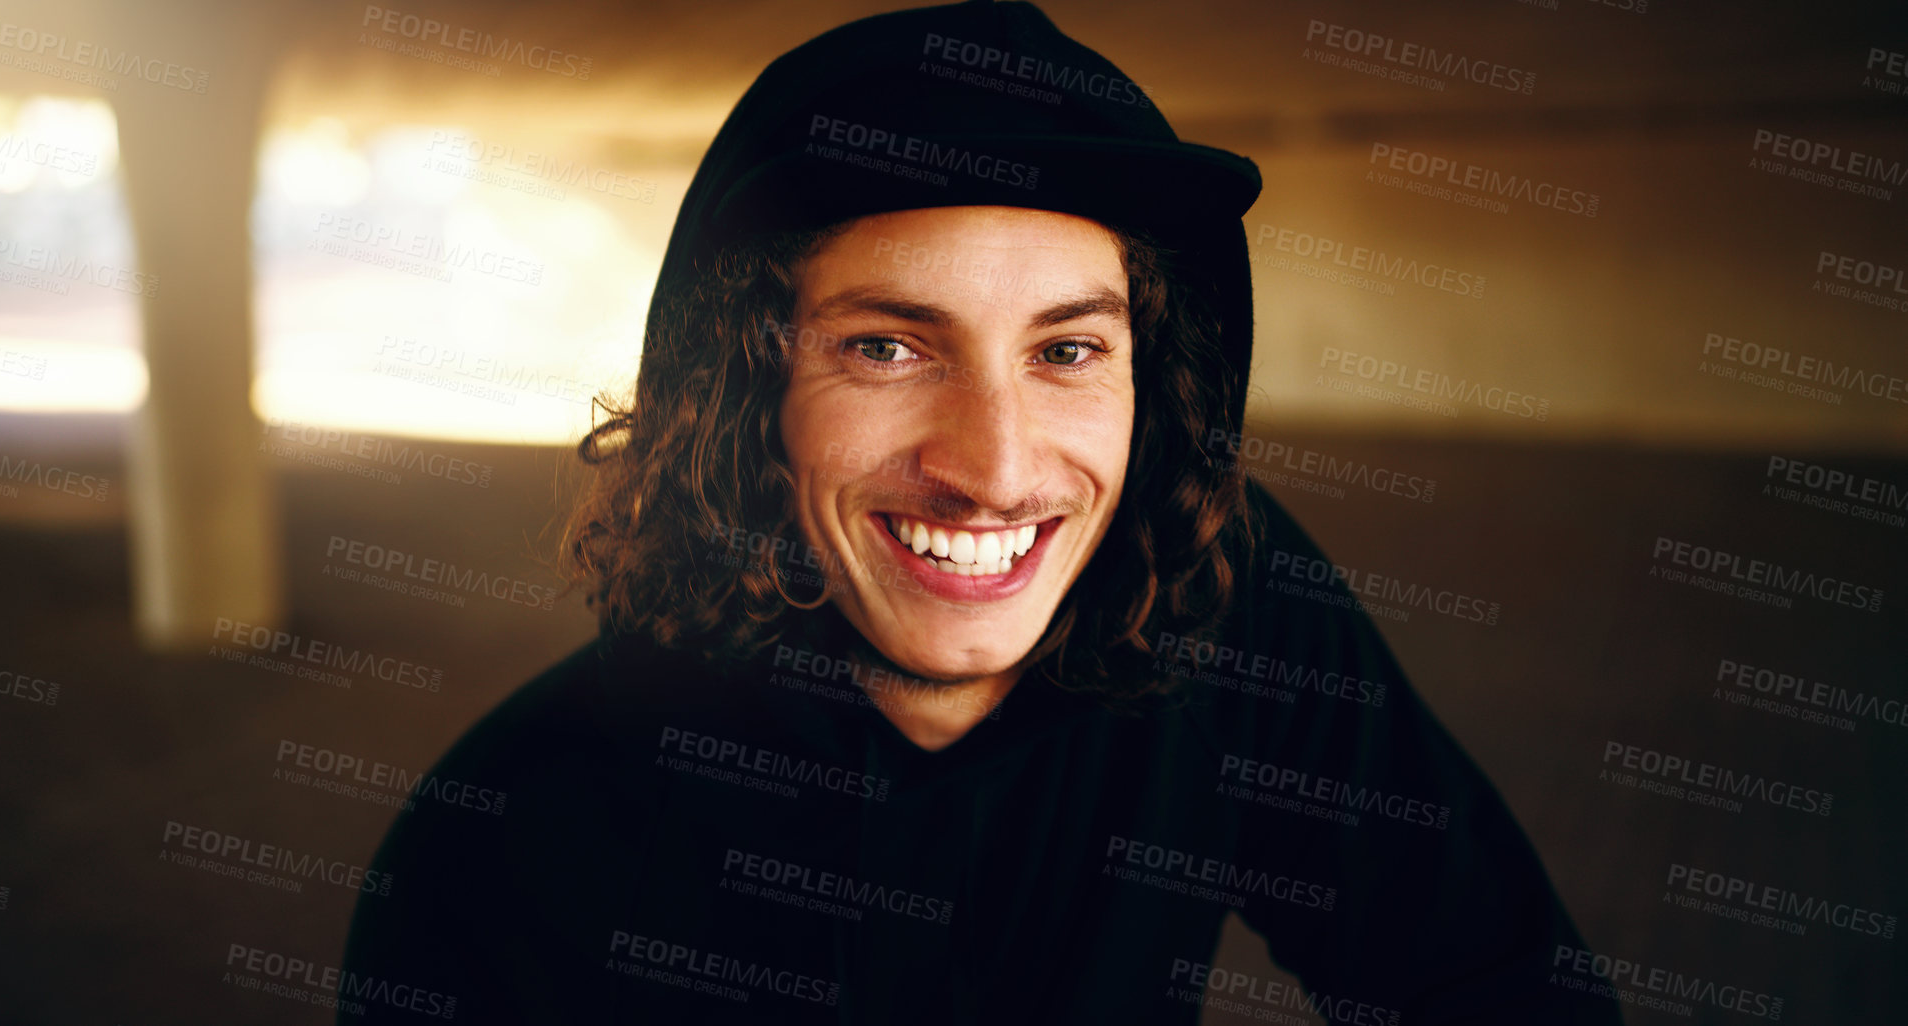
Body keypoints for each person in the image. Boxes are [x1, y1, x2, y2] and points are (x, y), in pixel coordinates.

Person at [340, 2, 1623, 1023]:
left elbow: (1490, 982)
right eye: (890, 350)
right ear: (748, 392)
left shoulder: (1217, 594)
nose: (996, 470)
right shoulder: (499, 854)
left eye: (1067, 353)